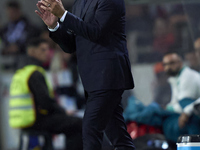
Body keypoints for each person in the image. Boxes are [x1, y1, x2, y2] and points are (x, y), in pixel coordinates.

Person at [35, 0, 135, 150]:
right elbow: (71, 45)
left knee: (90, 130)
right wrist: (54, 26)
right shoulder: (79, 4)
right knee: (117, 135)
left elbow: (95, 32)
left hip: (108, 76)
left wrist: (63, 14)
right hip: (93, 80)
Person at [9, 38, 83, 150]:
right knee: (78, 124)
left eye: (48, 49)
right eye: (43, 50)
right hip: (37, 121)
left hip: (25, 120)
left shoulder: (21, 72)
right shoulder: (35, 72)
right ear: (32, 52)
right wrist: (64, 112)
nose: (47, 53)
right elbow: (46, 103)